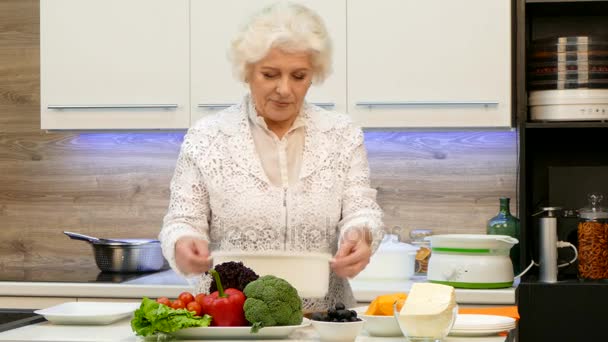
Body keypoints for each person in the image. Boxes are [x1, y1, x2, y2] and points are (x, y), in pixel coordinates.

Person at [159, 1, 384, 311]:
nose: (285, 89)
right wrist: (182, 242)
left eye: (299, 76)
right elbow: (181, 221)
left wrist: (362, 234)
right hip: (231, 320)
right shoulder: (207, 138)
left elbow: (361, 210)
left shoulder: (342, 135)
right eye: (270, 74)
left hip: (323, 319)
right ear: (247, 71)